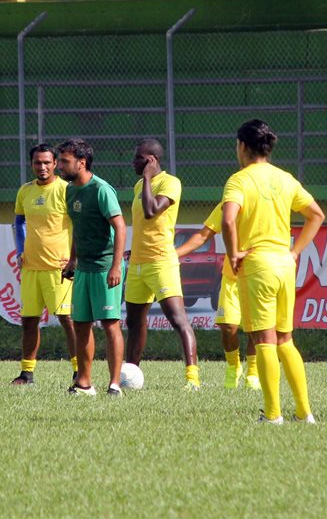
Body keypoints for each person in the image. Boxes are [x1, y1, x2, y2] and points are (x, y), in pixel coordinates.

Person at [221, 119, 324, 424]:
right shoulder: (285, 178)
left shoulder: (239, 180)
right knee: (285, 338)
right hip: (284, 263)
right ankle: (305, 412)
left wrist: (234, 252)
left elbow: (228, 221)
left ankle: (273, 413)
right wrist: (294, 251)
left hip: (258, 265)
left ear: (242, 146)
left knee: (264, 339)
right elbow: (316, 215)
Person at [123, 139, 200, 390]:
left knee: (178, 319)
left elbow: (151, 211)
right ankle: (130, 374)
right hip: (137, 264)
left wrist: (147, 179)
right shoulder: (138, 185)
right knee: (134, 323)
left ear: (151, 160)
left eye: (138, 158)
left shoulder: (170, 182)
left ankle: (192, 378)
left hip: (161, 262)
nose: (133, 162)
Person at [58, 139, 126, 396]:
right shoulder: (70, 190)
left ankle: (115, 384)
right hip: (84, 268)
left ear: (81, 162)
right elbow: (78, 227)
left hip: (104, 266)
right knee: (81, 324)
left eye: (65, 161)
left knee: (110, 324)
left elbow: (120, 227)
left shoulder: (101, 189)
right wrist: (73, 260)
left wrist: (115, 266)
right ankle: (84, 383)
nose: (60, 166)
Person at [11, 143, 77, 385]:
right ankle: (27, 373)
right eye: (38, 162)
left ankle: (79, 370)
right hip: (31, 268)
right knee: (29, 320)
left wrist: (73, 258)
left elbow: (78, 225)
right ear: (31, 164)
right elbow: (19, 222)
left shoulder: (66, 190)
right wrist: (20, 250)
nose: (43, 167)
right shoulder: (25, 191)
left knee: (67, 319)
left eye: (47, 162)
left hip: (59, 269)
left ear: (56, 164)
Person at [175, 206, 259, 390]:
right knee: (228, 326)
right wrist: (173, 254)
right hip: (231, 277)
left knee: (256, 327)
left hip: (258, 275)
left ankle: (253, 372)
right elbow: (203, 235)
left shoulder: (265, 200)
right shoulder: (229, 202)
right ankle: (233, 366)